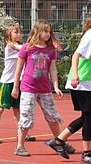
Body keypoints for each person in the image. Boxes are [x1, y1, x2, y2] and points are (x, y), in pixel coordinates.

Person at [47, 6, 91, 164]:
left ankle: (58, 140)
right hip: (81, 82)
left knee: (87, 116)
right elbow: (76, 55)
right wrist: (75, 75)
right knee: (90, 116)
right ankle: (86, 152)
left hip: (87, 81)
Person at [9, 21, 73, 157]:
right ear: (38, 32)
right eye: (45, 31)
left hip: (44, 89)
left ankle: (59, 141)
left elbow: (53, 69)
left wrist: (55, 86)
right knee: (26, 116)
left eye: (49, 32)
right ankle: (20, 146)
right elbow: (19, 68)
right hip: (28, 88)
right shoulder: (27, 48)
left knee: (52, 116)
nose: (48, 34)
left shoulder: (50, 51)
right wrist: (15, 87)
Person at [0, 24, 36, 145]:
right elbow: (23, 48)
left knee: (17, 109)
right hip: (7, 82)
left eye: (19, 32)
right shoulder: (10, 47)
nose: (19, 34)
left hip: (18, 82)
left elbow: (25, 49)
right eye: (16, 32)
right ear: (9, 34)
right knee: (0, 108)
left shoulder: (17, 46)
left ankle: (22, 132)